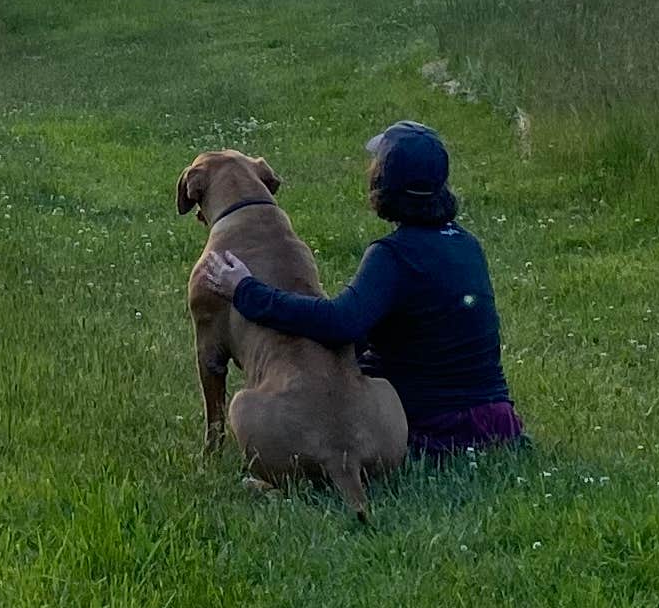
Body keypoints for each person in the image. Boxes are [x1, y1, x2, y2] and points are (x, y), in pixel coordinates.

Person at [190, 120, 525, 458]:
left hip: (438, 428)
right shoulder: (468, 244)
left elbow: (339, 323)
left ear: (384, 183)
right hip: (498, 421)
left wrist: (246, 290)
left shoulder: (392, 256)